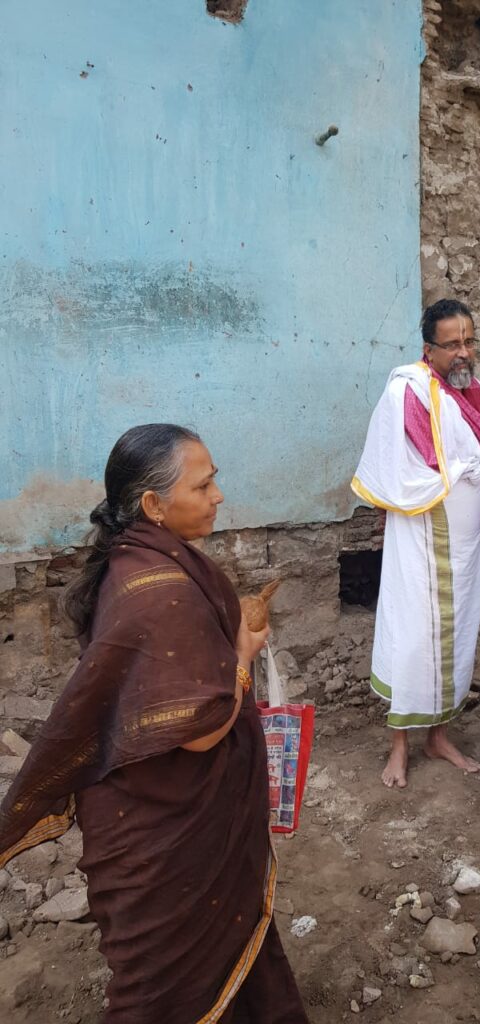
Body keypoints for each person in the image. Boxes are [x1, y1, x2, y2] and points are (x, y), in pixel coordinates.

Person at [0, 424, 308, 1024]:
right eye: (206, 483)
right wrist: (242, 654)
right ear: (153, 505)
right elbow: (200, 730)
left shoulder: (138, 560)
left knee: (227, 944)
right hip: (164, 830)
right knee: (159, 995)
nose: (219, 494)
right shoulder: (159, 590)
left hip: (164, 812)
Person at [352, 298, 480, 788]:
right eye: (452, 344)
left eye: (469, 341)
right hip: (419, 538)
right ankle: (399, 746)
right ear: (428, 348)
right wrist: (456, 472)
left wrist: (465, 474)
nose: (463, 353)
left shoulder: (477, 393)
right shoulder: (407, 392)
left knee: (458, 633)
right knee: (414, 636)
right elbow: (396, 467)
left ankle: (438, 736)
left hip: (464, 541)